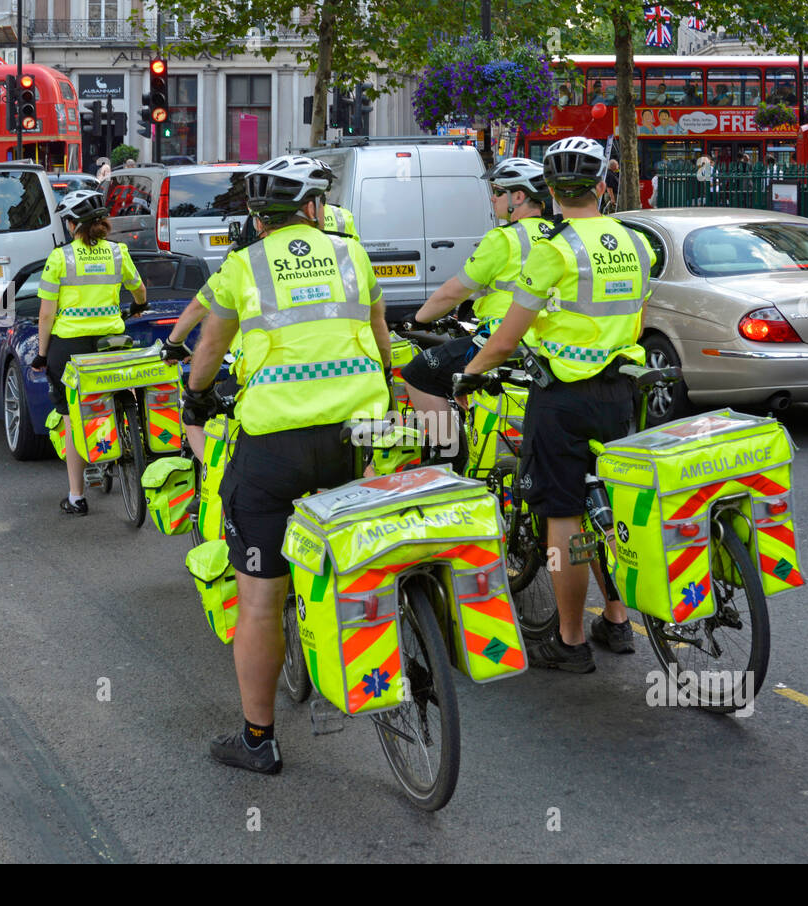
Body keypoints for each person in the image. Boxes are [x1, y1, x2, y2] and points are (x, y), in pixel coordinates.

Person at [160, 155, 391, 774]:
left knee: (260, 599)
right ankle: (360, 670)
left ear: (260, 219)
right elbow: (379, 335)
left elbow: (210, 346)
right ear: (315, 208)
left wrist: (197, 394)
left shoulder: (244, 266)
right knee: (346, 559)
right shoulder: (352, 255)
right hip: (349, 436)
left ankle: (259, 739)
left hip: (272, 449)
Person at [454, 136, 656, 671]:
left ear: (551, 191)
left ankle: (569, 640)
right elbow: (635, 320)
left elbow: (503, 340)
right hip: (621, 392)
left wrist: (469, 375)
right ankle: (616, 620)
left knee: (564, 515)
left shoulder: (554, 250)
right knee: (609, 504)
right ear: (602, 186)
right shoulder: (636, 242)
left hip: (562, 398)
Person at [400, 157, 556, 458]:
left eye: (498, 192)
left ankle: (448, 455)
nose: (493, 198)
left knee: (417, 373)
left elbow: (452, 293)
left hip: (500, 342)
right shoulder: (557, 235)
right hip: (547, 344)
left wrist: (417, 319)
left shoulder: (504, 239)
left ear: (519, 196)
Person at [31, 191, 148, 515]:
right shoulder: (118, 252)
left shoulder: (61, 258)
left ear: (72, 226)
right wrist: (138, 305)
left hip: (70, 347)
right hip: (112, 341)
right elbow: (139, 289)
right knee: (115, 390)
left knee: (72, 417)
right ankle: (123, 438)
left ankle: (76, 497)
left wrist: (42, 354)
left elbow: (45, 315)